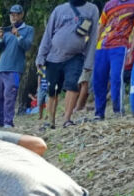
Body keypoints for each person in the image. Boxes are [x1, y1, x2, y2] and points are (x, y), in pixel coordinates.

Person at [36, 0, 100, 128]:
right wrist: (40, 56)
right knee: (52, 90)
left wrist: (88, 62)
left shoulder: (92, 9)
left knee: (72, 86)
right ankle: (50, 121)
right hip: (53, 57)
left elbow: (93, 37)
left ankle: (67, 119)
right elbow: (48, 34)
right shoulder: (59, 10)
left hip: (76, 55)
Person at [93, 0, 134, 120]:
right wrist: (94, 45)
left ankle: (118, 110)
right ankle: (99, 113)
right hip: (102, 45)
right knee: (98, 80)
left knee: (116, 77)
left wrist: (131, 50)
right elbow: (101, 25)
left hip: (120, 45)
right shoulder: (109, 4)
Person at [0, 4, 35, 128]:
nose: (14, 17)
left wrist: (18, 35)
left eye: (17, 14)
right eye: (12, 14)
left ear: (22, 15)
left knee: (10, 96)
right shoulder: (6, 30)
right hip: (1, 67)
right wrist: (0, 38)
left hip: (15, 69)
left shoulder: (28, 29)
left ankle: (8, 122)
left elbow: (27, 46)